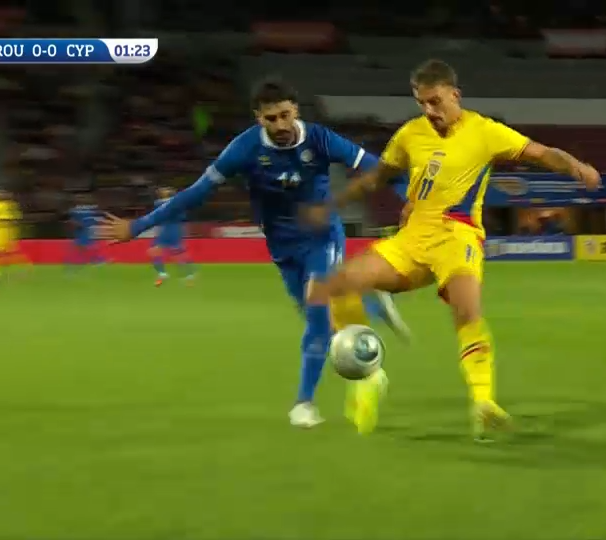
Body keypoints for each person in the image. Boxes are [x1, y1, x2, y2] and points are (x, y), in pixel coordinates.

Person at [302, 59, 601, 441]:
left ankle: (483, 402)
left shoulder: (485, 131)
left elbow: (541, 153)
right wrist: (331, 206)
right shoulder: (411, 134)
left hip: (457, 237)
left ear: (454, 95)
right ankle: (368, 376)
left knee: (466, 309)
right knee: (337, 285)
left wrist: (576, 166)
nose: (429, 110)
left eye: (435, 101)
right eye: (422, 103)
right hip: (413, 238)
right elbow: (378, 178)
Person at [97, 78, 411, 428]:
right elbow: (195, 193)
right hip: (281, 245)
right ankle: (370, 305)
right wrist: (139, 225)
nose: (279, 124)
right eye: (270, 118)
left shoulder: (320, 139)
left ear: (296, 111)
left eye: (285, 115)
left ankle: (304, 404)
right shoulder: (244, 148)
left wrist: (411, 202)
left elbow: (380, 169)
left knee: (318, 314)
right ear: (258, 118)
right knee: (319, 319)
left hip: (322, 238)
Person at [149, 186, 195, 287]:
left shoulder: (159, 203)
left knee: (175, 254)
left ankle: (164, 274)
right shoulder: (179, 203)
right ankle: (189, 275)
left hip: (168, 229)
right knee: (177, 253)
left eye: (165, 190)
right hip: (175, 229)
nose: (162, 191)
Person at [66, 193, 105, 269]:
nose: (80, 200)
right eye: (78, 198)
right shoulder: (73, 210)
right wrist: (76, 224)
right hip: (80, 230)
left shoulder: (91, 209)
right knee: (81, 246)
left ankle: (98, 260)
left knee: (85, 246)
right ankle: (96, 260)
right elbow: (71, 220)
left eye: (82, 198)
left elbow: (98, 217)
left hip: (88, 229)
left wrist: (98, 223)